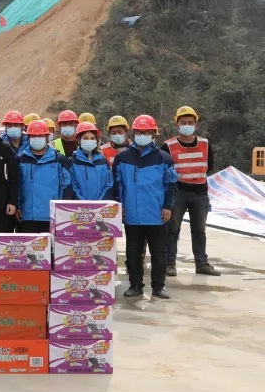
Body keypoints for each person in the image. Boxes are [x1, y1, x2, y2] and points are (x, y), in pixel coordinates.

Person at [113, 115, 178, 299]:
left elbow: (171, 184)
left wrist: (167, 206)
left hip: (156, 214)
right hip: (132, 214)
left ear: (154, 134)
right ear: (133, 133)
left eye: (147, 132)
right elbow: (117, 185)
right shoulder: (122, 158)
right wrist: (120, 205)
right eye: (139, 132)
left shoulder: (164, 158)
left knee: (159, 253)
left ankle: (158, 287)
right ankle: (135, 285)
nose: (143, 135)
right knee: (133, 253)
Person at [164, 106, 220, 277]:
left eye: (190, 122)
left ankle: (201, 263)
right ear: (177, 124)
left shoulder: (205, 144)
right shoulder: (168, 146)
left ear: (196, 124)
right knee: (172, 229)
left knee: (199, 230)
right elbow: (165, 170)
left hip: (200, 193)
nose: (187, 125)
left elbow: (209, 165)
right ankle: (169, 264)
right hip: (178, 192)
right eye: (183, 122)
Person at [17, 120, 71, 232]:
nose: (37, 139)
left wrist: (62, 209)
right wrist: (17, 205)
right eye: (34, 136)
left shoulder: (59, 159)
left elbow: (65, 186)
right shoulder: (20, 159)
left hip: (52, 215)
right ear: (28, 138)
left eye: (41, 136)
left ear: (47, 137)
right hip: (27, 216)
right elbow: (16, 186)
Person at [63, 121, 114, 201]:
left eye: (92, 138)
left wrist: (100, 203)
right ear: (79, 140)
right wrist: (83, 204)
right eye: (85, 138)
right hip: (79, 207)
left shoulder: (103, 161)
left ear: (96, 140)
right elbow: (71, 186)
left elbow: (109, 184)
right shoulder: (71, 162)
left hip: (101, 206)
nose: (89, 141)